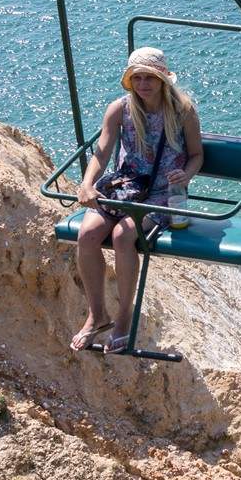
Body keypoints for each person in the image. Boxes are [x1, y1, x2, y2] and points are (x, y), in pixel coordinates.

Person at [71, 47, 203, 354]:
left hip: (159, 194)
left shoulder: (182, 111)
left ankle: (123, 318)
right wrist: (87, 184)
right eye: (138, 78)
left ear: (162, 81)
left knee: (122, 235)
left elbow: (196, 155)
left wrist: (185, 175)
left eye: (150, 78)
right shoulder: (120, 109)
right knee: (87, 234)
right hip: (125, 186)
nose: (143, 84)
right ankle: (97, 313)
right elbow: (102, 151)